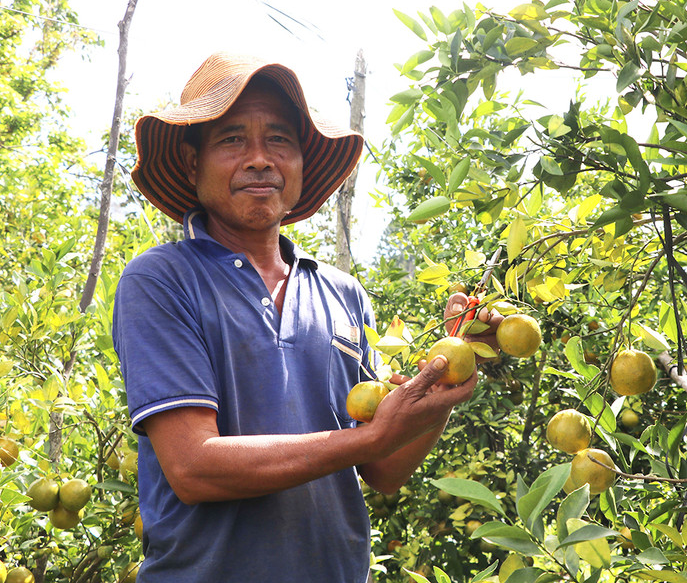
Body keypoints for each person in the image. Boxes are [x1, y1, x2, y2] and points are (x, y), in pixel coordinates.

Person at [112, 52, 500, 582]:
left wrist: (443, 383)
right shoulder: (162, 280)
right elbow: (193, 468)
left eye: (279, 139)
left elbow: (383, 469)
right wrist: (370, 438)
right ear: (190, 163)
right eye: (231, 139)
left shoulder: (343, 293)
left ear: (299, 163)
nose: (259, 159)